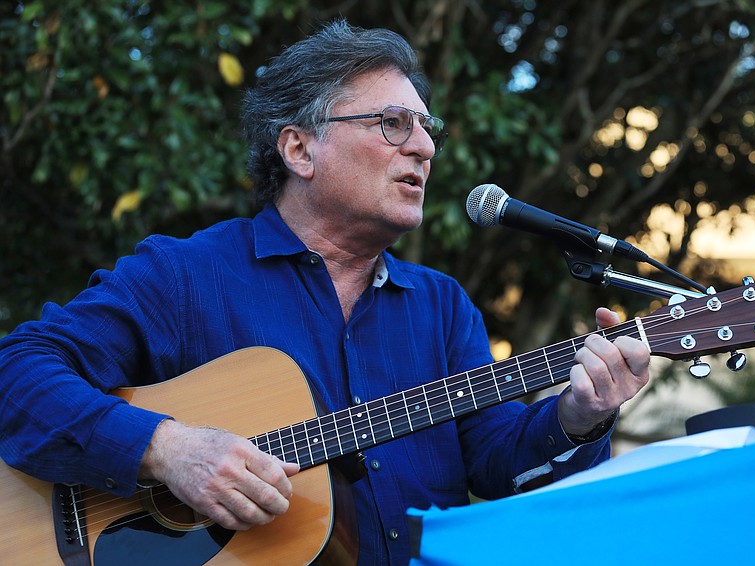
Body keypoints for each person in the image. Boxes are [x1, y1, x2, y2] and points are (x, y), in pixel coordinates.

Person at [0, 19, 650, 565]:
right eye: (394, 123)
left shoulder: (443, 305)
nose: (424, 147)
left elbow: (497, 466)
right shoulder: (184, 277)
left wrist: (578, 417)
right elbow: (17, 375)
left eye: (428, 129)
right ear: (299, 149)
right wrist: (165, 450)